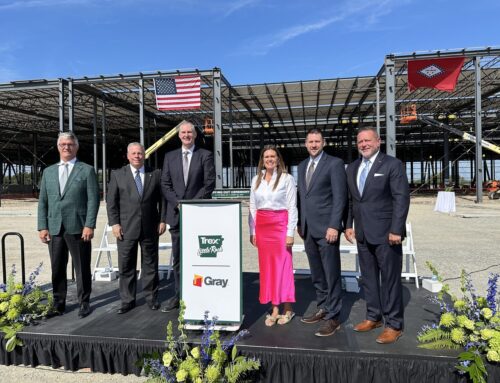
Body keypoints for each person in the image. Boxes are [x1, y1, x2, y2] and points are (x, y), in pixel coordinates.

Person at [344, 127, 410, 344]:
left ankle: (393, 324)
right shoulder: (352, 168)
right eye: (360, 141)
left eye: (368, 140)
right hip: (362, 233)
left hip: (386, 234)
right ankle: (373, 316)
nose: (364, 144)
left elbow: (401, 198)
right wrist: (348, 225)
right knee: (369, 279)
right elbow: (353, 200)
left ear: (378, 141)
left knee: (390, 280)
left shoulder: (392, 165)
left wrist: (396, 230)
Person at [37, 132, 100, 318]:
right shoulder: (48, 172)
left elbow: (93, 200)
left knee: (81, 267)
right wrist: (42, 226)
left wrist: (90, 224)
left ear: (76, 146)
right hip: (55, 226)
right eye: (63, 144)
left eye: (70, 144)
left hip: (79, 227)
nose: (66, 147)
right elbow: (43, 202)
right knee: (57, 267)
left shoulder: (86, 170)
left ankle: (84, 302)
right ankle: (58, 303)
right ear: (58, 147)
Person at [161, 121, 216, 312]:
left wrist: (190, 204)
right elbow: (165, 184)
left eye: (189, 132)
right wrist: (178, 203)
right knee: (179, 259)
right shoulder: (169, 157)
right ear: (178, 135)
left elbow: (209, 183)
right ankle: (179, 295)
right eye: (183, 132)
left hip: (198, 215)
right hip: (176, 216)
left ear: (194, 135)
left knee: (199, 257)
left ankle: (199, 294)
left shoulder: (205, 155)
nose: (186, 135)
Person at [297, 127, 347, 337]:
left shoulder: (334, 164)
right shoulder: (301, 166)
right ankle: (323, 306)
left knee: (331, 273)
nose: (314, 145)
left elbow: (340, 197)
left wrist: (335, 225)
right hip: (308, 228)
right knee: (317, 274)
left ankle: (333, 316)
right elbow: (302, 197)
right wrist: (300, 223)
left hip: (327, 229)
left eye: (317, 141)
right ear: (306, 144)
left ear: (323, 143)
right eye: (310, 142)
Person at [106, 142, 167, 314]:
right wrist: (114, 224)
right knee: (126, 266)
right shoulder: (118, 175)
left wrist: (162, 220)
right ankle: (127, 300)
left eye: (140, 153)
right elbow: (111, 203)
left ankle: (151, 298)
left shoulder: (155, 174)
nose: (137, 156)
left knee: (150, 264)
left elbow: (162, 200)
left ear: (144, 155)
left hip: (150, 227)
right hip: (125, 228)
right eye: (133, 153)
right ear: (127, 156)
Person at [249, 145, 298, 326]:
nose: (270, 159)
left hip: (280, 226)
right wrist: (252, 230)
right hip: (262, 227)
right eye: (266, 156)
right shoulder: (256, 179)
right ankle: (275, 308)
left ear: (278, 159)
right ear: (263, 159)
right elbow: (253, 207)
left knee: (283, 267)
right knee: (268, 269)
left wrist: (290, 233)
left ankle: (288, 308)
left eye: (273, 156)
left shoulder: (287, 179)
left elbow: (292, 206)